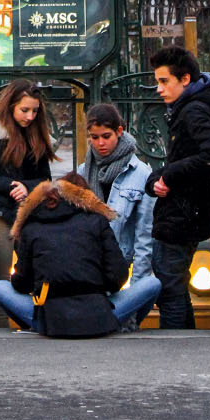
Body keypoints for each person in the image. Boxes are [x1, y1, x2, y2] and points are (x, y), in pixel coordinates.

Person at [0, 172, 162, 337]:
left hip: (50, 320)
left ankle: (34, 326)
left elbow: (21, 284)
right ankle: (122, 327)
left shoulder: (32, 226)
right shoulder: (98, 221)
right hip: (99, 317)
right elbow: (118, 276)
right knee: (152, 283)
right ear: (85, 196)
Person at [144, 46, 210, 330]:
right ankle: (182, 341)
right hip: (186, 209)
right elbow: (183, 159)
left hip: (185, 212)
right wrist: (158, 178)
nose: (159, 89)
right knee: (173, 286)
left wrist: (170, 175)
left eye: (164, 81)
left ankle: (177, 343)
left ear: (185, 80)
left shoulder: (194, 111)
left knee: (169, 286)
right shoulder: (189, 109)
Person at [0, 79, 55, 328]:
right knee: (1, 278)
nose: (30, 116)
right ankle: (1, 334)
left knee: (37, 273)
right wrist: (7, 185)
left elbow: (45, 179)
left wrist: (27, 186)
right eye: (24, 110)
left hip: (28, 214)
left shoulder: (35, 132)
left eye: (34, 111)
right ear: (11, 106)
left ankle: (39, 325)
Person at [78, 102, 156, 330]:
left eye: (106, 136)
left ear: (119, 132)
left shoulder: (140, 173)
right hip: (89, 263)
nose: (100, 143)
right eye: (94, 137)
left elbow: (145, 234)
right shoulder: (84, 171)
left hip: (122, 262)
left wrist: (136, 292)